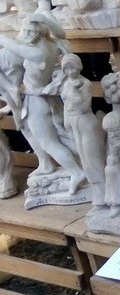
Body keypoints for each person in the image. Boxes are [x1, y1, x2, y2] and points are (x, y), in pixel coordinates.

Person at [0, 14, 85, 193]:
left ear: (40, 33)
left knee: (48, 142)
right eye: (25, 30)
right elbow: (61, 34)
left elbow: (14, 46)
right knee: (49, 136)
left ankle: (76, 172)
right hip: (40, 98)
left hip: (36, 100)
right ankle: (51, 165)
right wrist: (44, 20)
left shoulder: (37, 52)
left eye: (31, 32)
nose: (26, 35)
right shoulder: (52, 45)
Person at [60, 54, 105, 204]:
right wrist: (66, 122)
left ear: (79, 67)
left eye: (72, 67)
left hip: (86, 121)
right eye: (66, 69)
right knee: (84, 161)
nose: (70, 71)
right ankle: (98, 195)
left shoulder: (85, 83)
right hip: (73, 122)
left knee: (94, 159)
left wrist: (74, 91)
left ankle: (107, 194)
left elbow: (83, 107)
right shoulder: (66, 83)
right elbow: (66, 105)